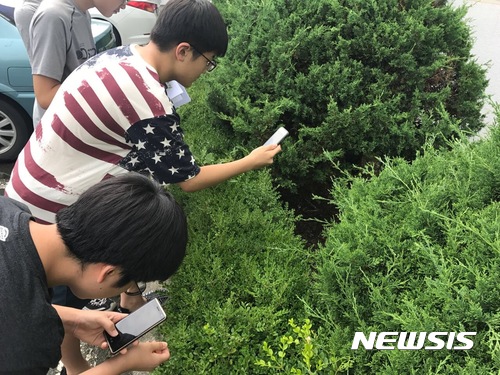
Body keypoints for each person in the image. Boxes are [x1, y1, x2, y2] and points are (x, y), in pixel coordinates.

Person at [0, 172, 188, 374]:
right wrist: (121, 365)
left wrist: (72, 320)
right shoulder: (27, 345)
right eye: (129, 284)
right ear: (108, 273)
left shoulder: (10, 209)